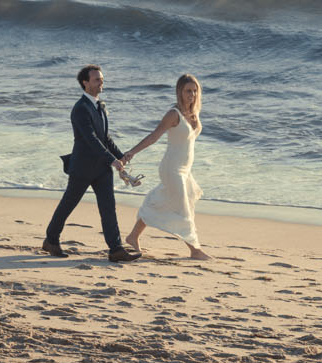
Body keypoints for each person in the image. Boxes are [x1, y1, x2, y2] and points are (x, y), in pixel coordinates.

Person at [42, 65, 141, 262]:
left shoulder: (100, 106)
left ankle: (115, 250)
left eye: (101, 79)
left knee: (108, 207)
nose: (101, 82)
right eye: (96, 79)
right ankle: (51, 240)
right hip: (83, 168)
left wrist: (122, 156)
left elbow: (105, 138)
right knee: (68, 205)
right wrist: (112, 160)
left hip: (102, 169)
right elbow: (91, 139)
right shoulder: (80, 108)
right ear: (85, 83)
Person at [121, 74, 209, 260]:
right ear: (179, 92)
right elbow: (154, 136)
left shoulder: (194, 113)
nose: (192, 94)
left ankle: (132, 236)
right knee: (183, 208)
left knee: (161, 201)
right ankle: (195, 249)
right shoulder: (173, 114)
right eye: (188, 91)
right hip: (172, 168)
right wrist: (132, 152)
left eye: (195, 91)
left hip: (185, 169)